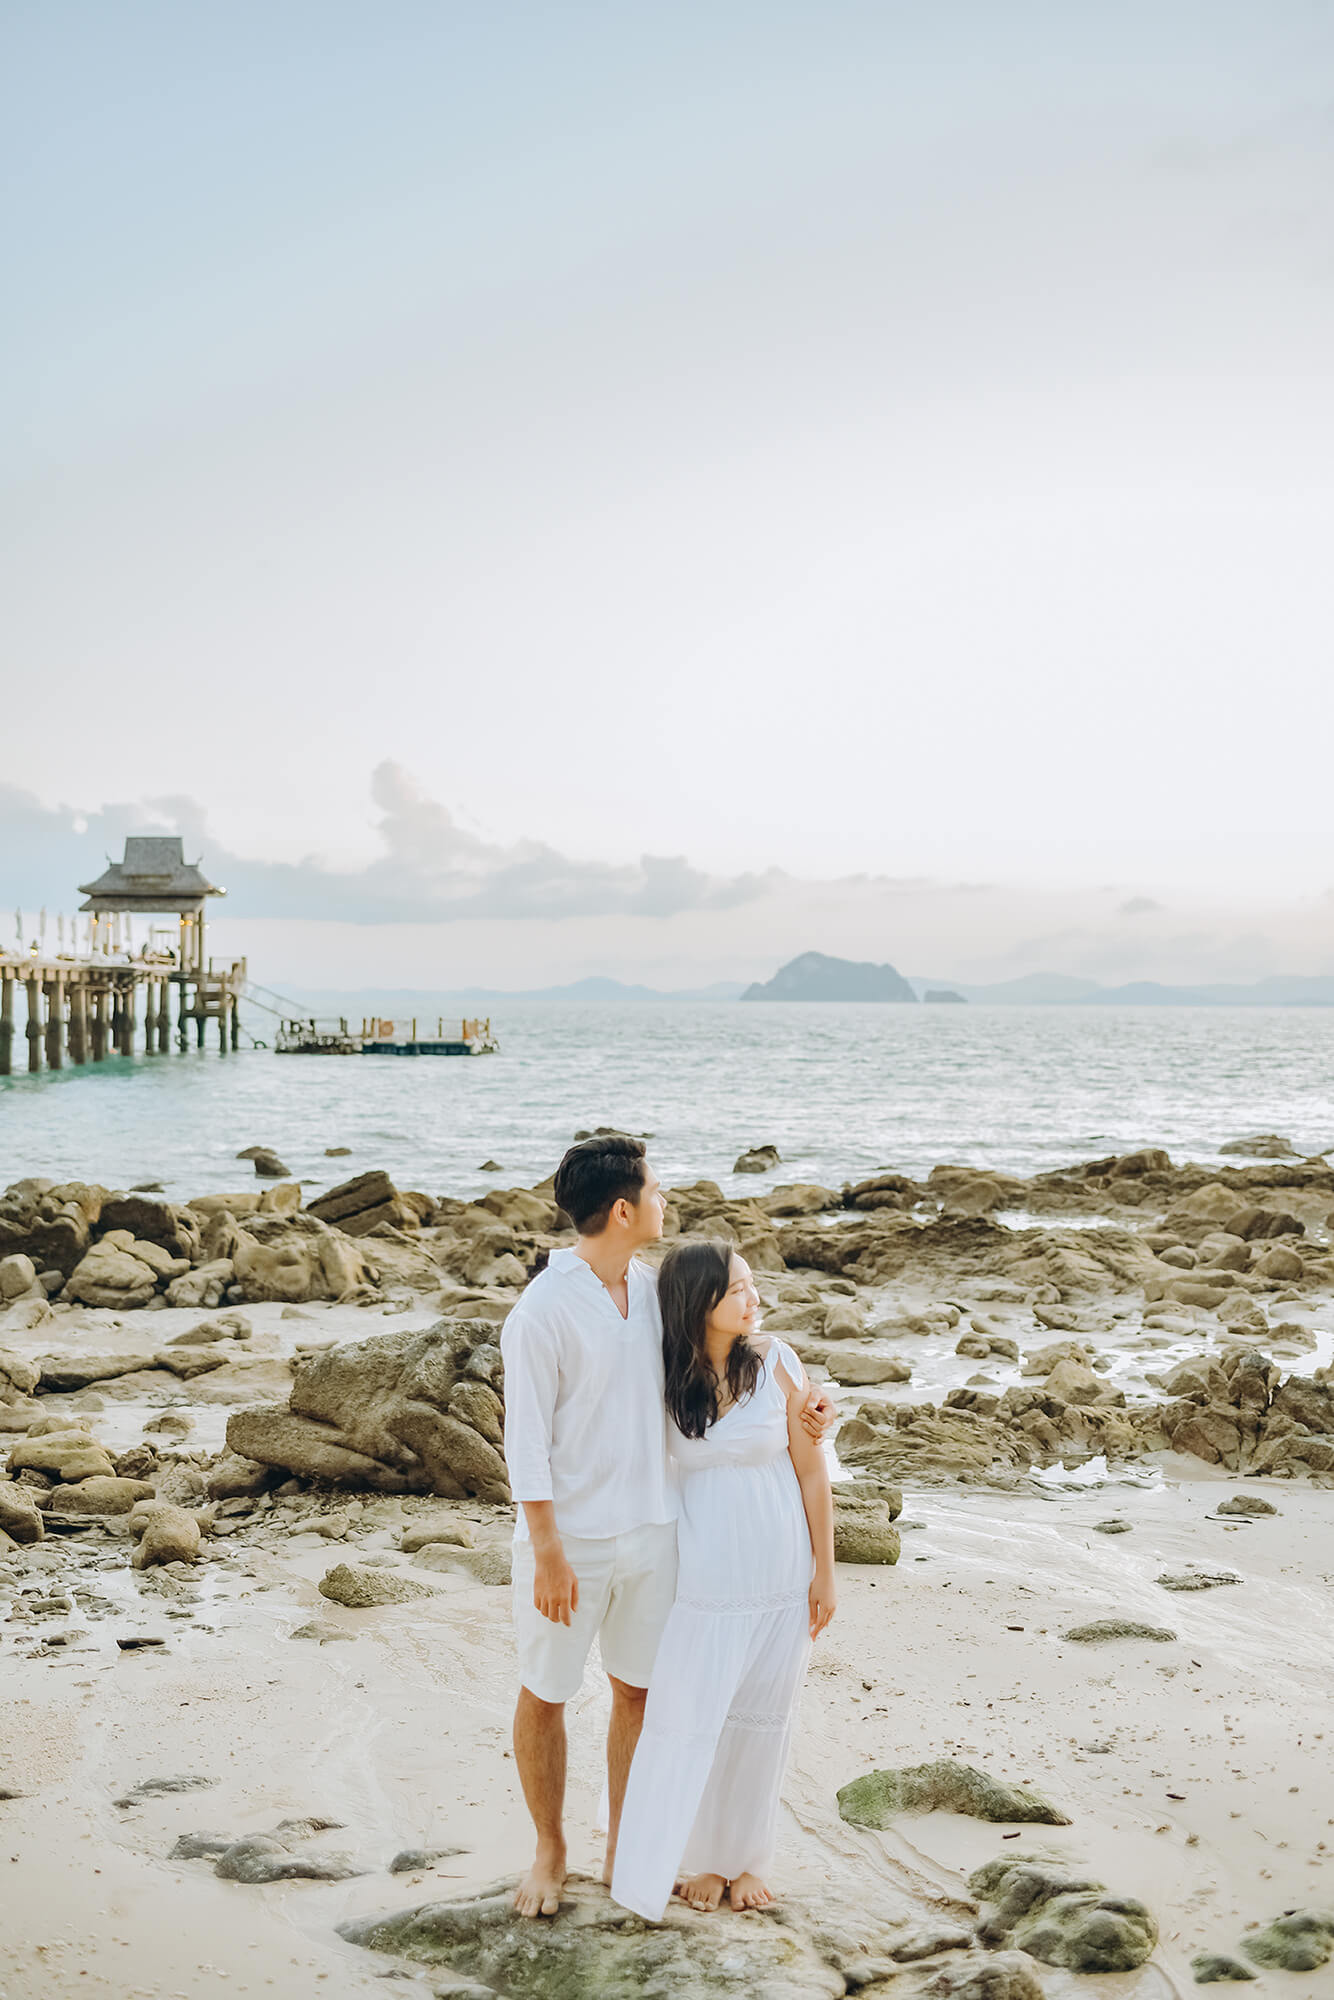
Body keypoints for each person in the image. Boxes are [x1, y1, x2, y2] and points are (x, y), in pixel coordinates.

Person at [500, 1135, 834, 1919]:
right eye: (655, 1192)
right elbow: (525, 1441)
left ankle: (625, 1843)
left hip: (656, 1532)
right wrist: (547, 1550)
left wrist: (813, 1404)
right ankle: (550, 1848)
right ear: (623, 1208)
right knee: (545, 1691)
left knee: (639, 1695)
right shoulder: (541, 1311)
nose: (664, 1202)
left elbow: (734, 1345)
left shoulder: (654, 1291)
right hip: (569, 1542)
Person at [610, 1238, 836, 1920]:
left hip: (780, 1566)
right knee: (695, 1713)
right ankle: (700, 1856)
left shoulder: (778, 1363)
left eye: (750, 1285)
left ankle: (746, 1862)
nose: (753, 1297)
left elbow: (811, 1470)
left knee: (763, 1718)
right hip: (703, 1574)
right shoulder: (660, 1376)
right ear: (699, 1303)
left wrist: (825, 1572)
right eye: (737, 1288)